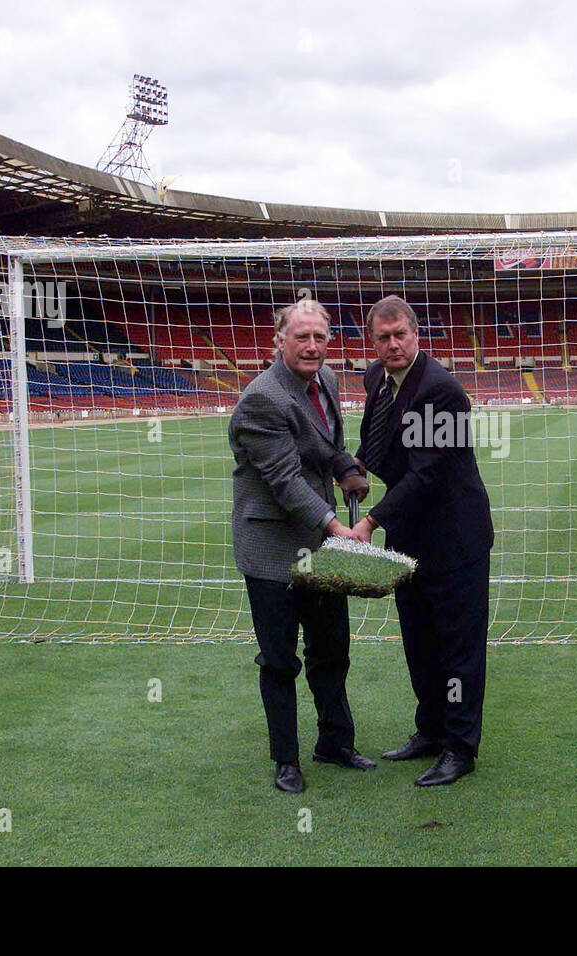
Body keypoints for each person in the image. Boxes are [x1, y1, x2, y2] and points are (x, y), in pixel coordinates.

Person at [349, 295, 494, 787]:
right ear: (373, 342)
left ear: (417, 334)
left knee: (458, 649)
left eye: (400, 335)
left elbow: (427, 474)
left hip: (455, 538)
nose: (392, 345)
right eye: (383, 338)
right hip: (409, 536)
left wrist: (369, 521)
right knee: (418, 641)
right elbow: (375, 439)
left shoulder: (443, 391)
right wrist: (354, 466)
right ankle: (430, 731)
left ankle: (460, 748)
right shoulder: (376, 379)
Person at [228, 299, 372, 794]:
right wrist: (338, 527)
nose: (312, 346)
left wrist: (346, 468)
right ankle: (285, 759)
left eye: (320, 337)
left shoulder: (326, 380)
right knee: (280, 658)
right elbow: (286, 481)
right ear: (280, 341)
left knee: (332, 648)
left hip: (318, 540)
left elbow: (329, 445)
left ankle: (335, 742)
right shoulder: (262, 399)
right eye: (302, 337)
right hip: (272, 549)